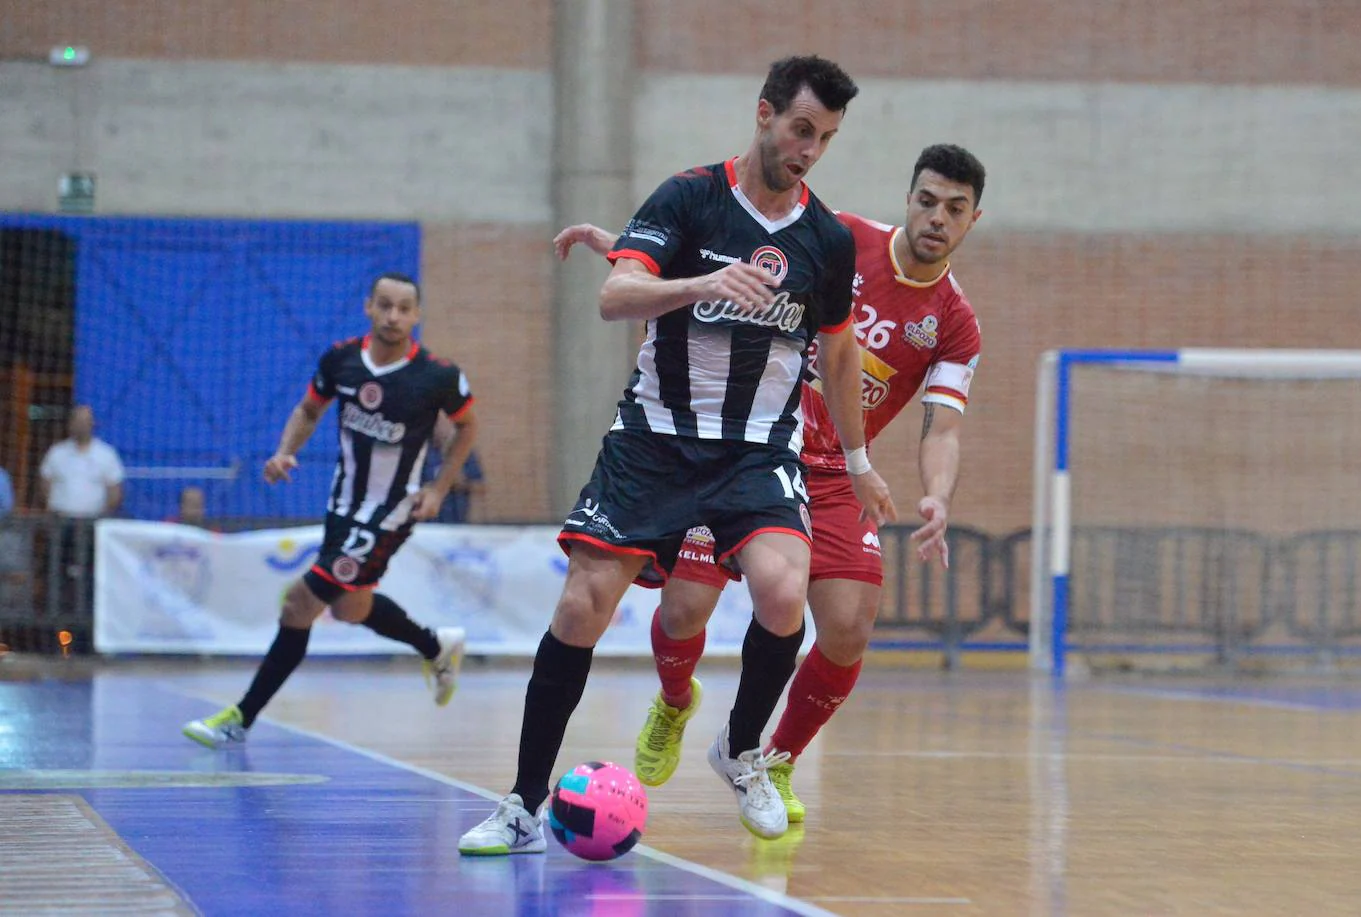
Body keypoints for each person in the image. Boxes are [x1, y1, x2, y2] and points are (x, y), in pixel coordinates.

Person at [459, 55, 894, 856]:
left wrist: (860, 460)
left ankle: (741, 747)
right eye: (801, 128)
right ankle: (521, 803)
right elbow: (613, 295)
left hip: (757, 451)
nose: (809, 149)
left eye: (826, 138)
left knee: (781, 587)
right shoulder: (688, 197)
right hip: (655, 438)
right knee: (582, 605)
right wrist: (703, 284)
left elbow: (835, 353)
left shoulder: (825, 240)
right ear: (764, 114)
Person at [555, 143, 986, 826]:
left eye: (955, 209)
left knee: (848, 624)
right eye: (927, 200)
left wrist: (937, 493)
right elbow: (718, 262)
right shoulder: (838, 236)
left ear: (972, 219)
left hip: (843, 468)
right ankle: (673, 700)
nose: (938, 217)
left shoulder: (955, 323)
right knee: (682, 612)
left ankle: (767, 758)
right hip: (747, 443)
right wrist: (628, 251)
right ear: (908, 198)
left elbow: (944, 428)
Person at [182, 273, 477, 748]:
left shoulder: (438, 376)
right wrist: (284, 452)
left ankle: (240, 717)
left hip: (391, 511)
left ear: (417, 316)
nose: (393, 316)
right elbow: (307, 410)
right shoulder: (340, 360)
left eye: (404, 309)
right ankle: (434, 645)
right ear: (369, 307)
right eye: (385, 306)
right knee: (349, 607)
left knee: (300, 603)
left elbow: (467, 429)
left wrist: (439, 488)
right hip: (343, 505)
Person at [40, 404, 125, 609]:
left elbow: (115, 490)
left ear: (92, 424)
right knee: (57, 571)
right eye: (77, 421)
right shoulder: (57, 453)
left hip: (91, 527)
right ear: (70, 424)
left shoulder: (106, 454)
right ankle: (55, 612)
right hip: (62, 525)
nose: (81, 426)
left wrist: (101, 514)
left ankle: (89, 612)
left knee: (90, 573)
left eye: (85, 421)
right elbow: (45, 483)